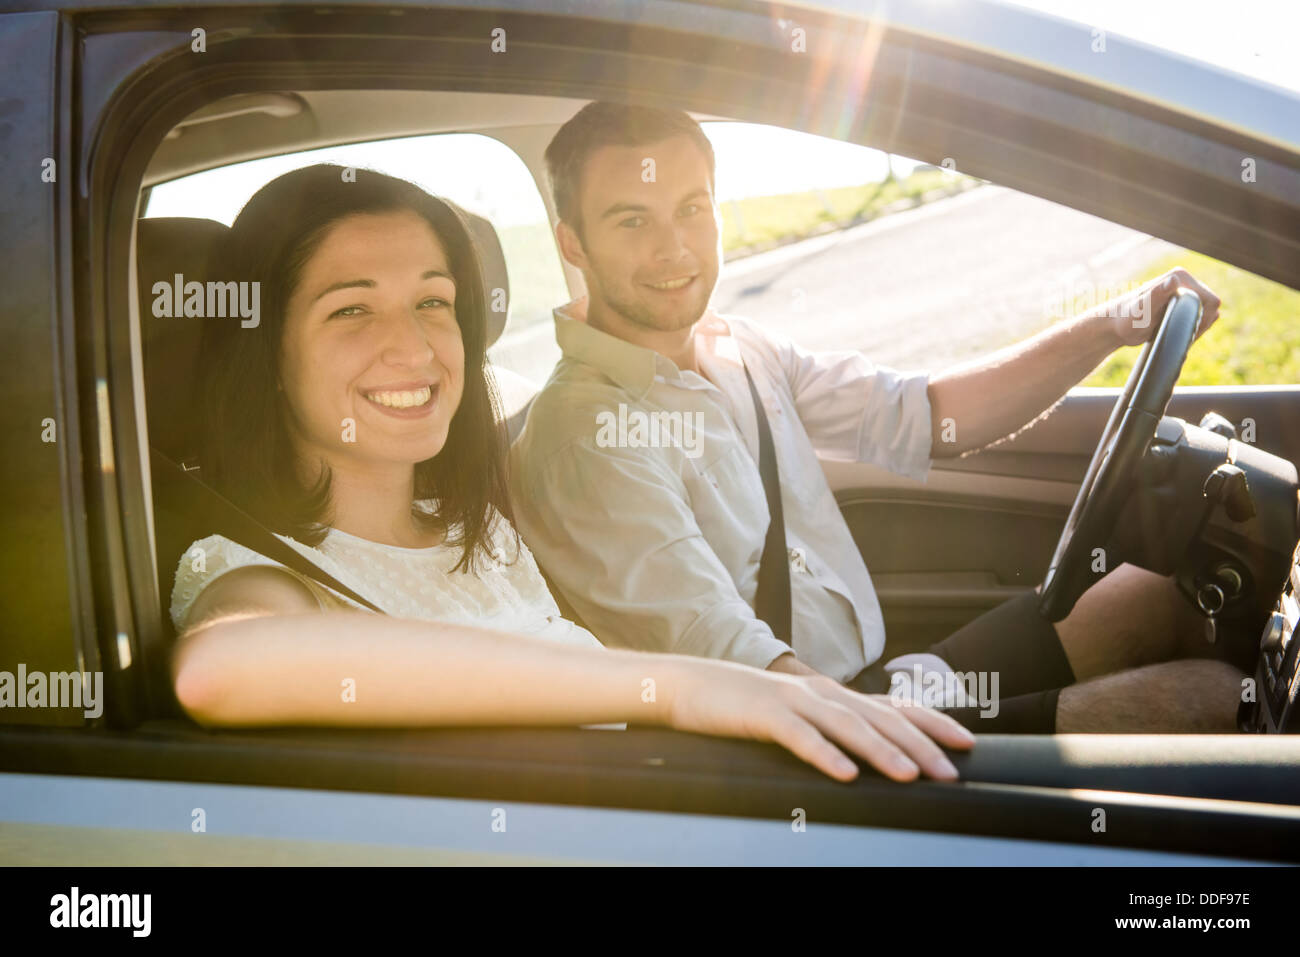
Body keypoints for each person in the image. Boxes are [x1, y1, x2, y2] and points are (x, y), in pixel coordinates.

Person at [166, 163, 975, 784]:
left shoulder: (474, 530)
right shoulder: (258, 573)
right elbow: (219, 666)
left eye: (434, 302)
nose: (413, 348)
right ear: (266, 351)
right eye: (351, 308)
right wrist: (683, 688)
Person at [509, 101, 1244, 734]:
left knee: (1163, 592)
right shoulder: (585, 436)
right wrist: (892, 730)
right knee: (1215, 702)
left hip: (877, 686)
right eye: (632, 219)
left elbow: (928, 413)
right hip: (799, 740)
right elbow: (729, 657)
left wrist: (1111, 326)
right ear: (572, 243)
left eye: (692, 209)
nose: (673, 247)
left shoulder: (738, 348)